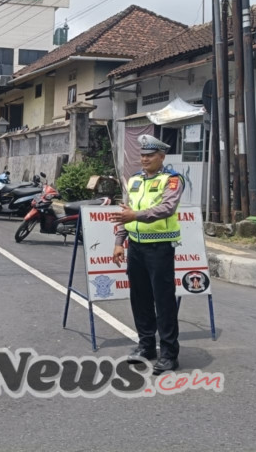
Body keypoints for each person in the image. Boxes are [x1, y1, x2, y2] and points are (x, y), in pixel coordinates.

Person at [110, 134, 184, 375]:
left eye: (150, 156)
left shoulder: (171, 180)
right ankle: (146, 346)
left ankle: (169, 354)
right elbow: (126, 212)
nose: (144, 159)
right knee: (139, 298)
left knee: (163, 301)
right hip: (136, 248)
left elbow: (167, 208)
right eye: (142, 155)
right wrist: (119, 241)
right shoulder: (134, 181)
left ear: (161, 157)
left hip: (160, 248)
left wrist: (135, 217)